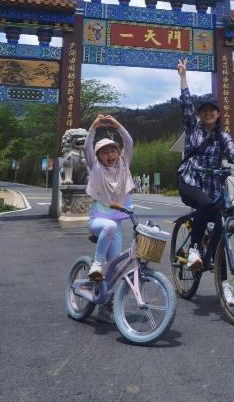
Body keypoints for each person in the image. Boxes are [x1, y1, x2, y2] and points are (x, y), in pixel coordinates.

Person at [176, 58, 234, 307]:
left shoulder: (222, 137)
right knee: (205, 205)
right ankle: (193, 249)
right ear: (200, 115)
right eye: (204, 110)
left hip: (213, 186)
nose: (208, 113)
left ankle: (224, 285)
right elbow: (186, 105)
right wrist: (183, 77)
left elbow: (233, 151)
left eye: (212, 110)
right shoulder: (193, 129)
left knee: (222, 229)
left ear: (218, 114)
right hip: (190, 180)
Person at [84, 114, 135, 320]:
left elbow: (129, 142)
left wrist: (117, 125)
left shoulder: (123, 165)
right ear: (98, 156)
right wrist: (93, 128)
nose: (110, 155)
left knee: (114, 266)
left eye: (113, 150)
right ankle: (96, 263)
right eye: (105, 152)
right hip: (98, 221)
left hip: (116, 225)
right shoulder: (95, 167)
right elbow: (87, 147)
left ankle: (105, 304)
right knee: (110, 227)